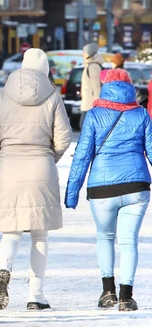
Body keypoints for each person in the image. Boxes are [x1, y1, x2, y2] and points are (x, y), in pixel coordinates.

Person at [0, 48, 72, 311]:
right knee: (40, 235)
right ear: (46, 69)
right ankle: (36, 295)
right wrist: (47, 157)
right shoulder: (52, 95)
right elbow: (64, 137)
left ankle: (3, 269)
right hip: (41, 167)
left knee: (11, 230)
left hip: (7, 167)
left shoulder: (2, 93)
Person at [65, 69, 152, 311]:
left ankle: (107, 292)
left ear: (105, 86)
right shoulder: (142, 115)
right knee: (128, 241)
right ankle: (126, 296)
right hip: (137, 187)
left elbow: (82, 156)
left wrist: (72, 193)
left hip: (101, 188)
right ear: (130, 88)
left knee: (105, 237)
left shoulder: (94, 115)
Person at [80, 43, 104, 130]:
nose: (83, 54)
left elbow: (96, 86)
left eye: (84, 52)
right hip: (88, 103)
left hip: (90, 104)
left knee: (84, 126)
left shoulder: (92, 67)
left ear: (89, 53)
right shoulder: (89, 65)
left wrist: (98, 104)